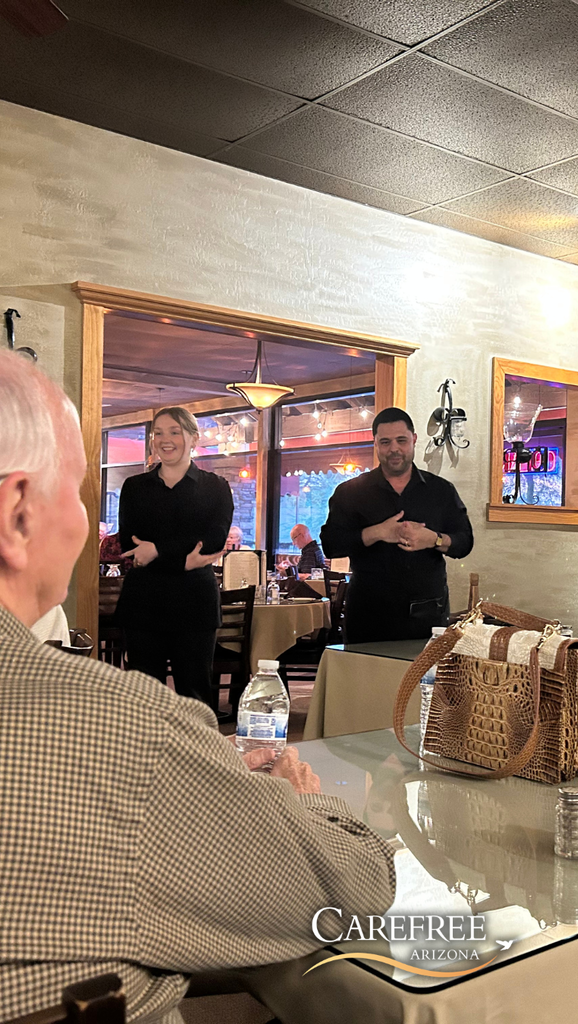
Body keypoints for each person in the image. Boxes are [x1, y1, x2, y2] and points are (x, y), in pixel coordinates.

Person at [0, 349, 394, 1022]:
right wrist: (301, 803)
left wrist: (190, 768)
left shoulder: (209, 490)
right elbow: (352, 887)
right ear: (17, 515)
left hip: (190, 603)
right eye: (73, 491)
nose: (81, 516)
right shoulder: (124, 725)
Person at [321, 407, 473, 642]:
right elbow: (330, 545)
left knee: (423, 679)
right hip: (368, 615)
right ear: (376, 444)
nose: (394, 449)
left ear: (413, 439)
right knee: (365, 679)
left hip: (427, 615)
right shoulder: (350, 492)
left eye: (401, 440)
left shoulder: (441, 491)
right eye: (385, 442)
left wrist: (434, 539)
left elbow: (465, 542)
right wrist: (375, 533)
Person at [116, 407, 233, 705]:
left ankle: (199, 753)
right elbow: (130, 544)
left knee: (194, 694)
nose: (164, 439)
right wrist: (184, 558)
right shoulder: (134, 487)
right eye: (158, 433)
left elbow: (214, 540)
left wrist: (157, 550)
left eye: (174, 431)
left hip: (195, 603)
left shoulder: (215, 487)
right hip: (144, 602)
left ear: (193, 439)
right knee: (143, 698)